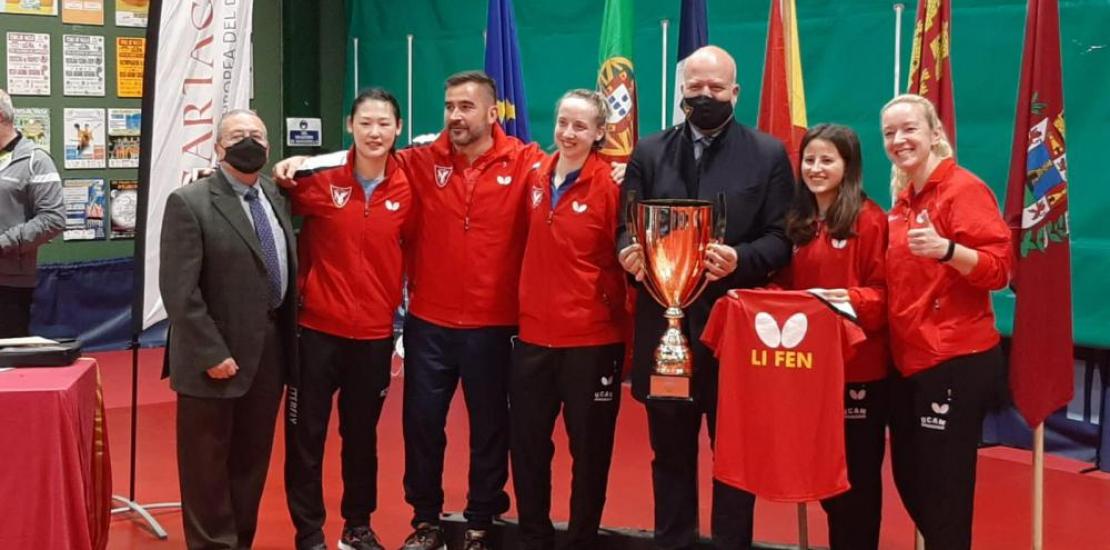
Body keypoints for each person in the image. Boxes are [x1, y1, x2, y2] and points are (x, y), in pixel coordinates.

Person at [275, 71, 543, 550]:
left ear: (491, 111)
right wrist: (294, 162)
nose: (456, 115)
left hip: (487, 325)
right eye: (449, 106)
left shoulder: (522, 163)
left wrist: (614, 167)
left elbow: (565, 169)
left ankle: (479, 520)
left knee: (486, 428)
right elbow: (313, 181)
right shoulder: (417, 164)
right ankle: (425, 522)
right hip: (419, 325)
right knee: (420, 425)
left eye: (466, 106)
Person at [617, 45, 794, 549]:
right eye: (695, 87)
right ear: (681, 92)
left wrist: (741, 258)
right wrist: (630, 254)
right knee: (669, 454)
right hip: (664, 330)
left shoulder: (768, 154)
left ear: (735, 92)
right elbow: (624, 229)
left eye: (716, 88)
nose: (705, 96)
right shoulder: (649, 152)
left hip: (733, 331)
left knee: (735, 456)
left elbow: (782, 238)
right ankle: (673, 541)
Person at [279, 88, 412, 550]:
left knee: (361, 438)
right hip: (315, 332)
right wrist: (287, 165)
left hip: (374, 336)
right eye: (365, 122)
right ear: (350, 126)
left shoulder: (409, 184)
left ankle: (357, 526)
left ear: (398, 129)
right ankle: (309, 533)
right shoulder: (316, 177)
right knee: (305, 439)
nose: (374, 132)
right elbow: (267, 203)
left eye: (384, 124)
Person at [160, 109, 297, 550]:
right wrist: (211, 353)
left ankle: (240, 542)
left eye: (258, 135)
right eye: (238, 135)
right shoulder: (190, 202)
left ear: (269, 147)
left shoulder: (276, 198)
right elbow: (179, 292)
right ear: (218, 147)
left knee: (250, 464)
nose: (249, 141)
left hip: (268, 356)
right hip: (213, 360)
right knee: (206, 470)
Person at [881, 93, 1012, 550]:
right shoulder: (902, 202)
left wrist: (949, 251)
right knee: (911, 481)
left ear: (935, 133)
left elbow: (999, 269)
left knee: (945, 496)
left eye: (909, 129)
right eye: (890, 133)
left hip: (956, 359)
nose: (899, 140)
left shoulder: (963, 190)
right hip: (909, 360)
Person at [511, 89, 626, 549]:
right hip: (534, 336)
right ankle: (534, 537)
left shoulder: (613, 185)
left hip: (592, 340)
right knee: (529, 447)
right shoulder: (535, 175)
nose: (569, 133)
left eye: (581, 126)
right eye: (563, 122)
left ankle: (581, 540)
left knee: (590, 453)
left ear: (600, 132)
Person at [774, 124, 889, 550]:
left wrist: (845, 299)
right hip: (810, 372)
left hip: (859, 372)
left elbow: (884, 296)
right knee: (824, 480)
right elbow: (783, 287)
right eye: (809, 159)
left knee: (856, 483)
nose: (816, 168)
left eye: (827, 160)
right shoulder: (799, 222)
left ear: (849, 165)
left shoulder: (870, 219)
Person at [0, 88, 64, 338]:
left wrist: (4, 243)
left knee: (6, 368)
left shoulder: (36, 160)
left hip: (8, 285)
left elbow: (53, 218)